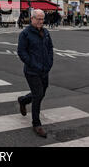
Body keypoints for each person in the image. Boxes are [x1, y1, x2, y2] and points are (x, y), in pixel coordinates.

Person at [17, 9, 54, 138]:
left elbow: (50, 49)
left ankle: (23, 100)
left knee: (42, 92)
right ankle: (36, 124)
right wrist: (33, 64)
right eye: (38, 19)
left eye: (42, 19)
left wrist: (49, 63)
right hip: (32, 71)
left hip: (45, 69)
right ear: (32, 19)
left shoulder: (46, 32)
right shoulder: (25, 33)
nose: (40, 21)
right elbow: (22, 52)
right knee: (38, 95)